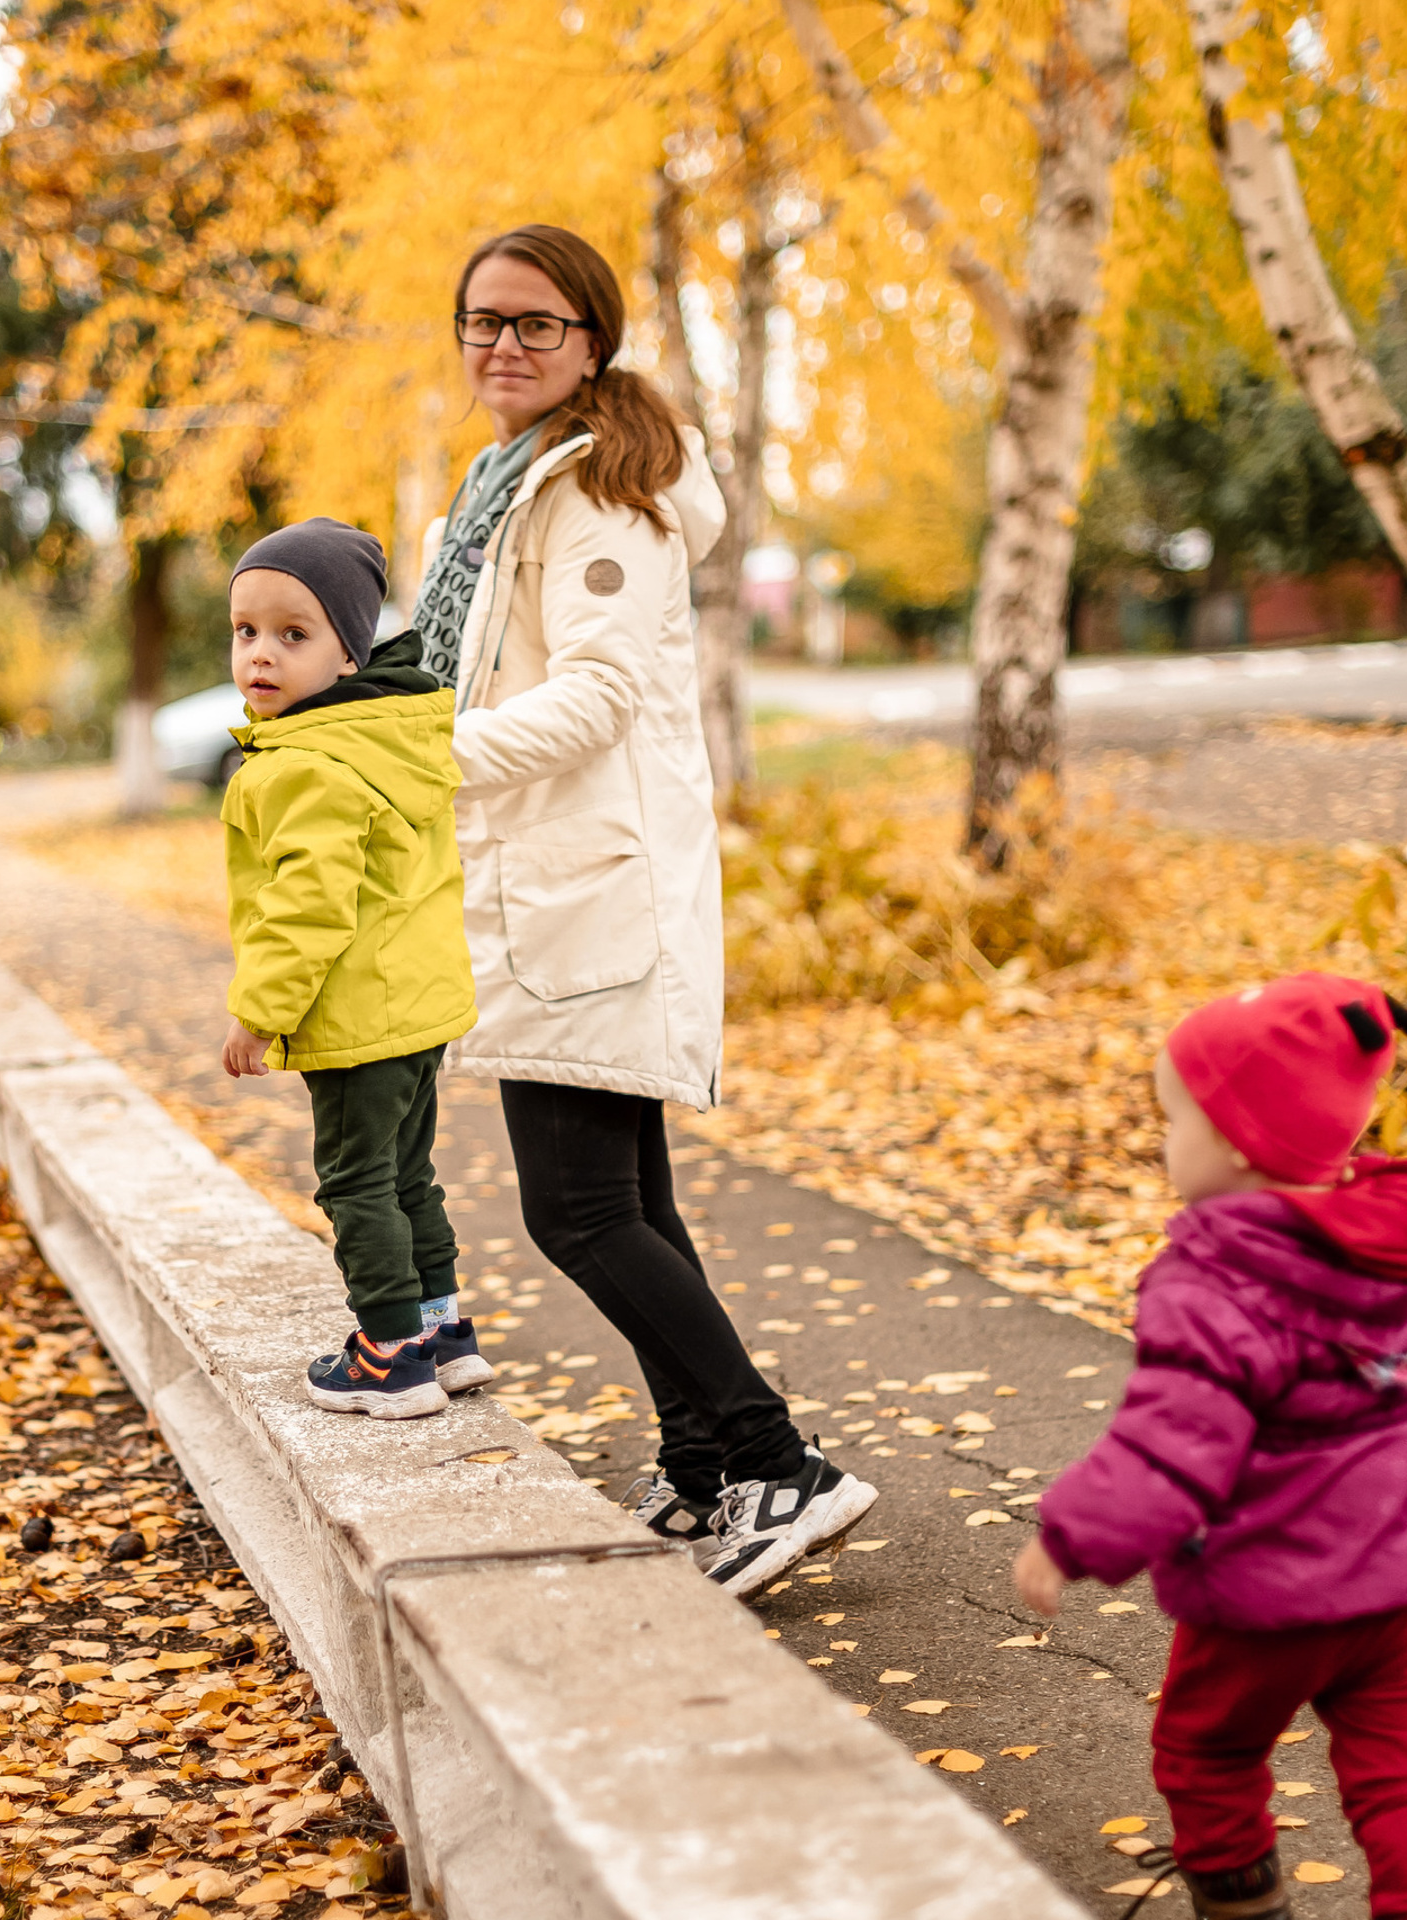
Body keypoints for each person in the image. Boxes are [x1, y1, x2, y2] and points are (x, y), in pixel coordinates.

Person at [411, 222, 878, 1597]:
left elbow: (600, 695)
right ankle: (705, 1464)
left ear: (591, 342)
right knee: (628, 1204)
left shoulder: (598, 494)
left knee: (578, 1212)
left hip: (586, 886)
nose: (504, 345)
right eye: (483, 320)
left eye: (536, 324)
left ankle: (779, 1462)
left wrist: (419, 759)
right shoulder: (498, 489)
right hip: (544, 879)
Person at [1013, 973, 1407, 1920]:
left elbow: (1171, 1443)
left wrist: (1070, 1538)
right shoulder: (1394, 1240)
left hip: (1272, 1596)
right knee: (1397, 1779)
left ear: (1232, 1141)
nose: (1164, 1143)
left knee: (1207, 1754)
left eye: (1172, 1121)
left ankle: (1244, 1908)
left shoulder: (1216, 1279)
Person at [219, 517, 490, 1419]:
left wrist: (259, 1011)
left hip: (356, 1020)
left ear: (348, 654)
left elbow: (308, 908)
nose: (262, 653)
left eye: (293, 634)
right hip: (417, 1011)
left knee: (355, 1180)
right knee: (408, 1173)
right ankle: (442, 1333)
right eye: (246, 630)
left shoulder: (307, 764)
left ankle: (390, 1354)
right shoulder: (388, 739)